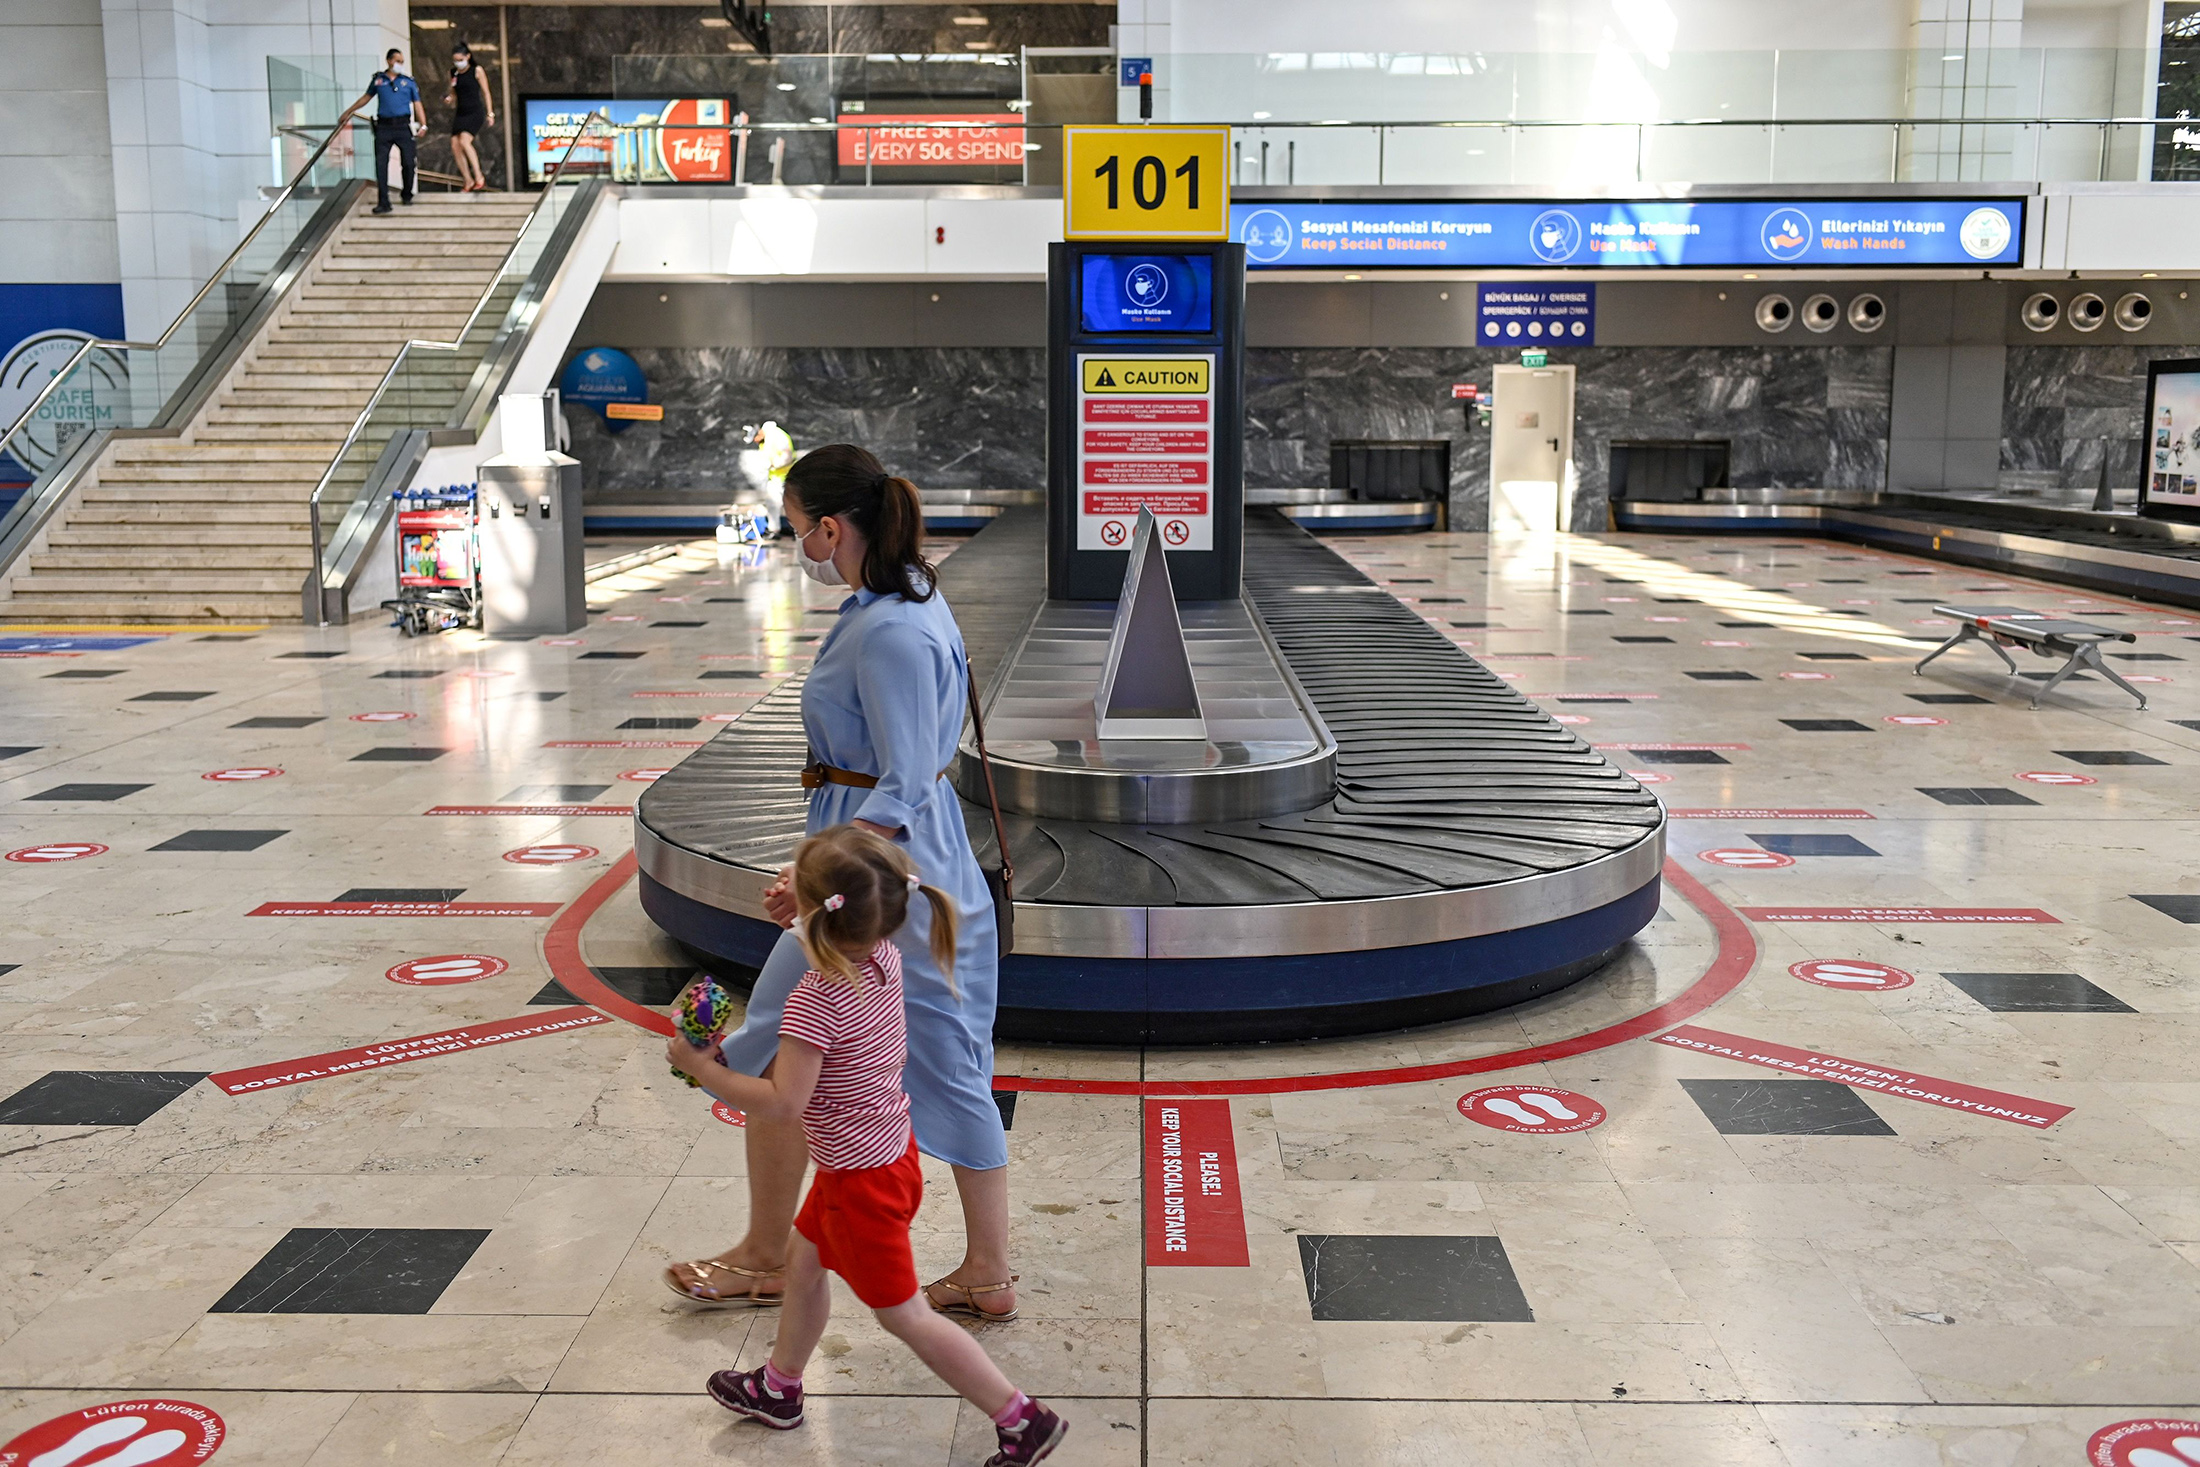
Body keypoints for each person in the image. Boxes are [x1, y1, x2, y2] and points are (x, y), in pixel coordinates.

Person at [663, 443, 1019, 1325]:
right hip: (870, 865)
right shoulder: (901, 601)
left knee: (945, 1056)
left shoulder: (894, 626)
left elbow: (901, 779)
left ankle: (985, 1267)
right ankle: (767, 1253)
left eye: (797, 530)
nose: (796, 545)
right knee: (786, 1039)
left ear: (830, 526)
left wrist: (813, 871)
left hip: (887, 882)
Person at [667, 826, 1065, 1465]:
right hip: (885, 1155)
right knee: (803, 1262)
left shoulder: (812, 1004)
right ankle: (780, 1387)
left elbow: (782, 1104)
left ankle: (1021, 1418)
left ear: (812, 914)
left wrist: (704, 1066)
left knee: (905, 1316)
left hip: (860, 1184)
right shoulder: (884, 960)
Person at [340, 49, 426, 214]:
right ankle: (383, 201)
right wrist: (348, 112)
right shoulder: (379, 80)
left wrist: (423, 124)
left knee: (408, 162)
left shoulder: (408, 82)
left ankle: (407, 194)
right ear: (389, 61)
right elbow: (366, 98)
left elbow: (417, 103)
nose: (400, 64)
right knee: (381, 165)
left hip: (403, 126)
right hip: (384, 127)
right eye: (398, 61)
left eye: (402, 61)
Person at [445, 42, 495, 192]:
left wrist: (490, 112)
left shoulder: (477, 71)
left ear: (468, 57)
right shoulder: (453, 73)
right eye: (455, 60)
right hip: (461, 111)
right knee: (455, 144)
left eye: (460, 59)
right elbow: (453, 92)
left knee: (464, 141)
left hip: (475, 111)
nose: (458, 63)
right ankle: (467, 179)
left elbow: (486, 92)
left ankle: (479, 176)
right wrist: (450, 99)